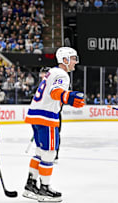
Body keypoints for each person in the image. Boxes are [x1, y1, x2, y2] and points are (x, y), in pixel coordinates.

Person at [23, 47, 85, 202]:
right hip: (46, 116)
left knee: (39, 152)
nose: (75, 62)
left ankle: (30, 185)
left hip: (35, 114)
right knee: (49, 153)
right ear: (64, 59)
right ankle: (44, 188)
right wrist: (68, 97)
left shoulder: (52, 72)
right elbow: (55, 92)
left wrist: (65, 96)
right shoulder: (62, 74)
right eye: (73, 58)